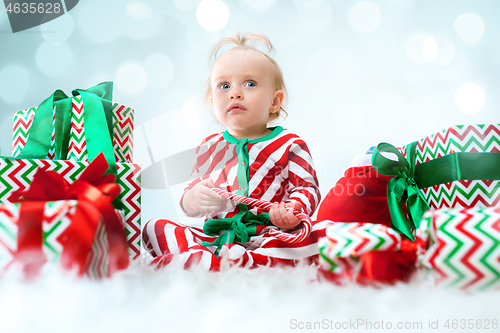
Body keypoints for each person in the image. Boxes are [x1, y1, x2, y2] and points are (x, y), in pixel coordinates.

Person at [142, 32, 328, 270]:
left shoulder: (290, 144)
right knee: (154, 227)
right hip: (217, 236)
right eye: (224, 85)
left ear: (275, 101)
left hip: (268, 234)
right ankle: (211, 255)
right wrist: (193, 199)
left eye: (250, 84)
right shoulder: (209, 147)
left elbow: (307, 188)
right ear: (211, 103)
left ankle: (235, 260)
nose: (235, 93)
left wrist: (292, 209)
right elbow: (192, 193)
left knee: (318, 235)